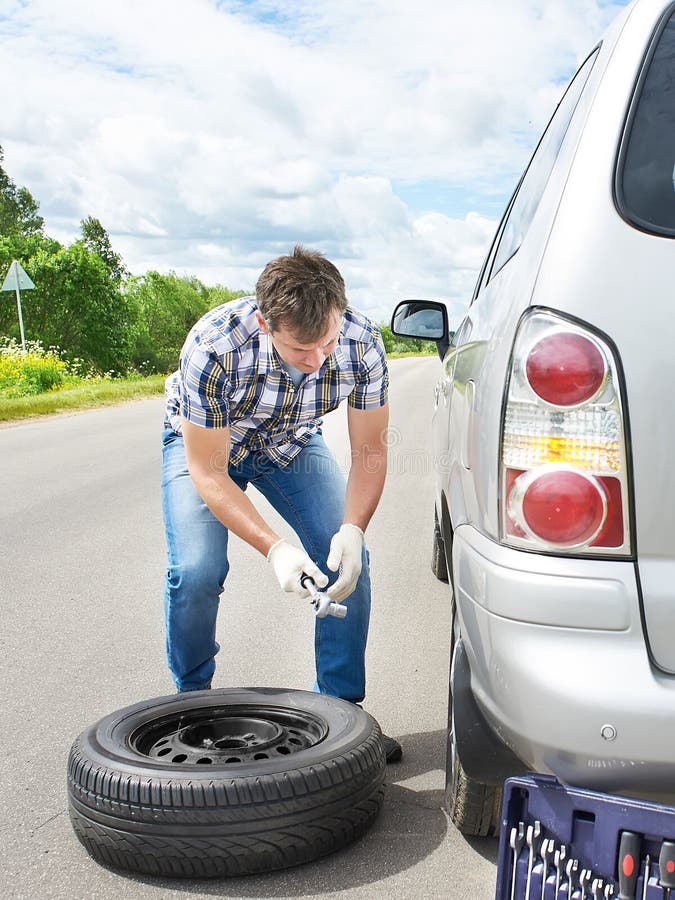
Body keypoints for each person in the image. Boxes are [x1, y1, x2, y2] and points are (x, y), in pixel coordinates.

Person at [161, 244, 402, 763]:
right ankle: (191, 702)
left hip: (292, 445)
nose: (318, 360)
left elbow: (371, 449)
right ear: (267, 324)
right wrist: (273, 549)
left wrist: (354, 529)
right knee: (197, 570)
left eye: (328, 343)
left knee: (346, 564)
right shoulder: (215, 345)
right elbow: (208, 470)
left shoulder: (362, 344)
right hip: (210, 447)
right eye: (301, 348)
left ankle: (344, 714)